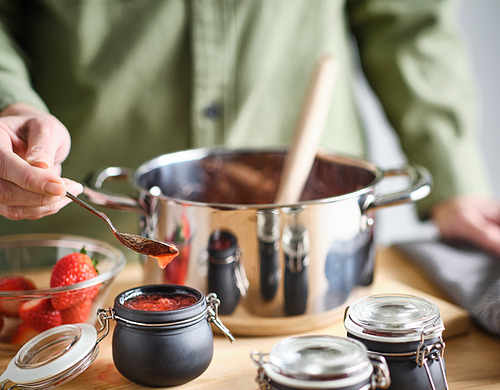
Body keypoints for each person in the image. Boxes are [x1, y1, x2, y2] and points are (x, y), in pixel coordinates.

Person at [0, 0, 499, 256]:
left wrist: (453, 176)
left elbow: (408, 21)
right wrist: (10, 105)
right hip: (74, 243)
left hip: (324, 237)